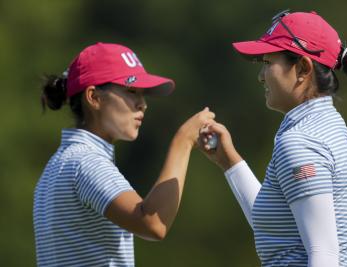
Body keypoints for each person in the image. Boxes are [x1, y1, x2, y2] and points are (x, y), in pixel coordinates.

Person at [200, 10, 347, 267]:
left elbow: (324, 255)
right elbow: (275, 226)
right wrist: (229, 162)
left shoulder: (300, 141)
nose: (261, 76)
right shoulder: (329, 125)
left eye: (268, 64)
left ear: (303, 68)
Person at [33, 42, 215, 266]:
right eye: (131, 91)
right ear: (94, 97)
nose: (143, 104)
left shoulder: (62, 161)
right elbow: (153, 223)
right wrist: (183, 142)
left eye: (143, 94)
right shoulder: (86, 162)